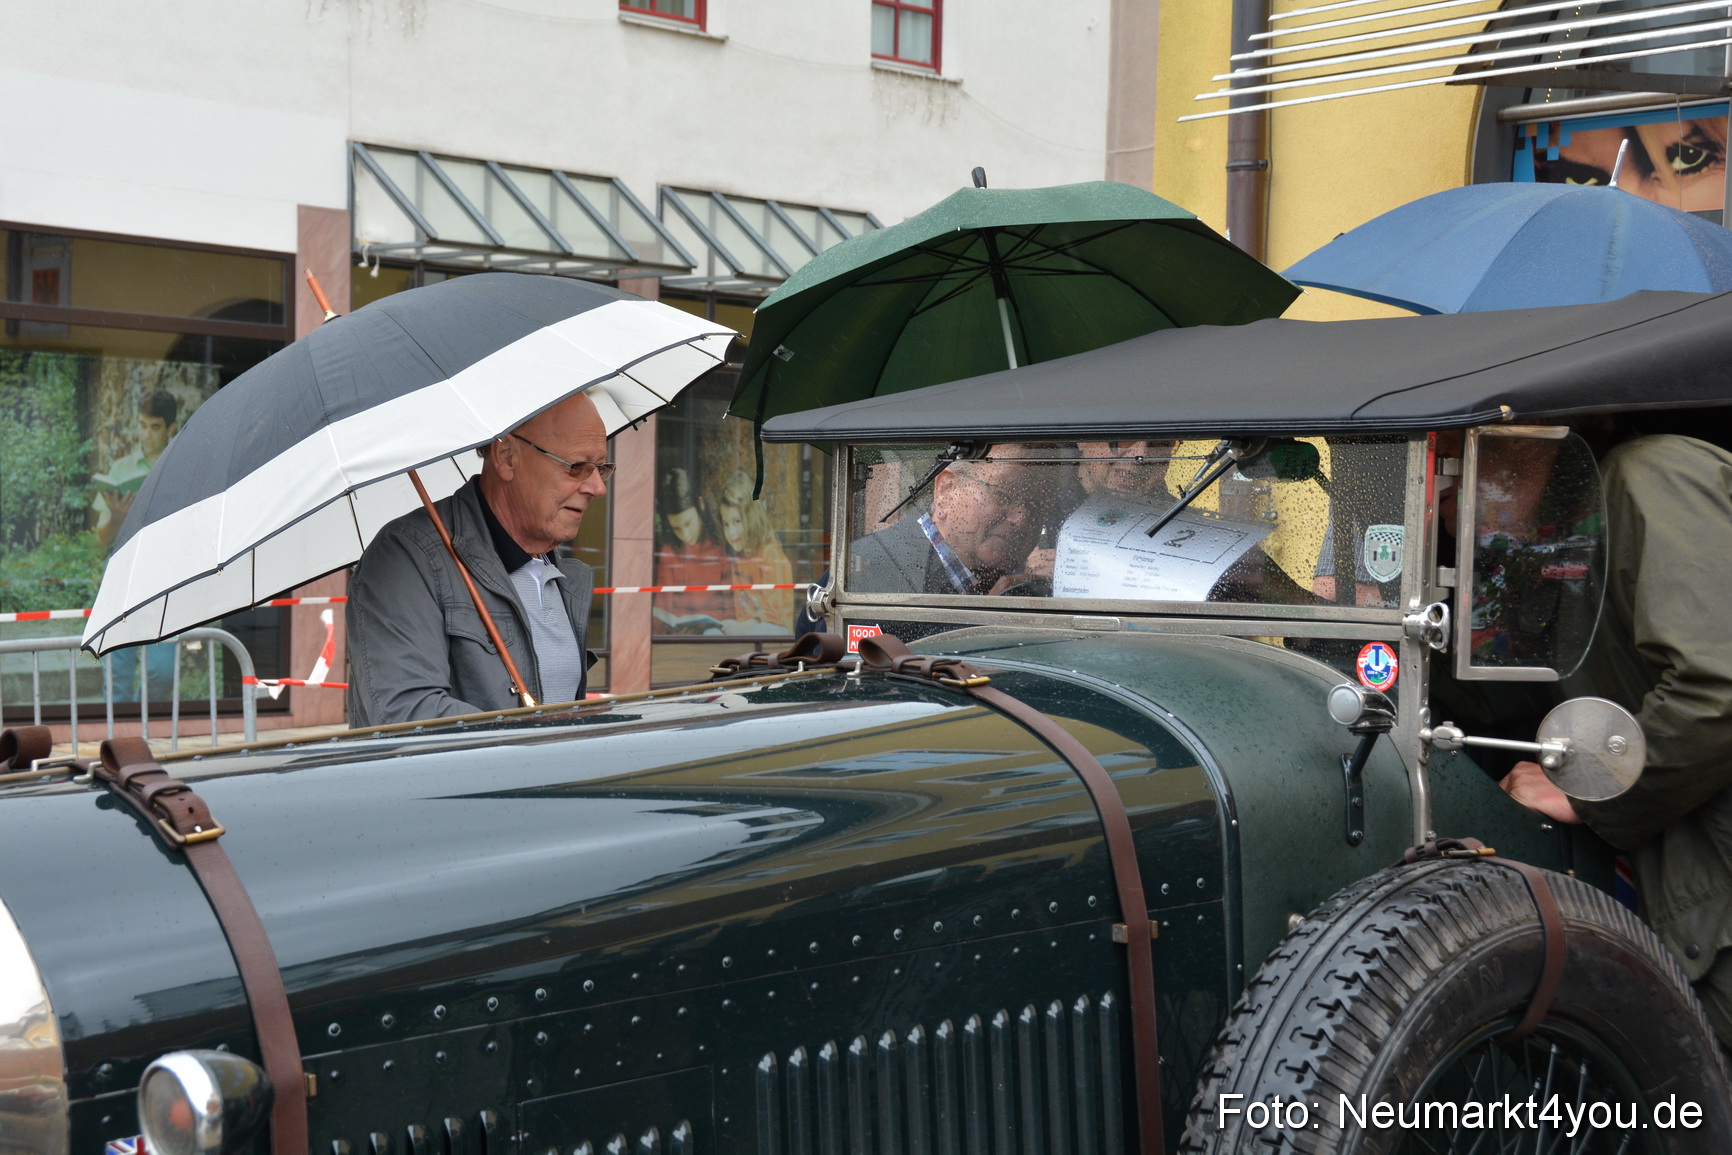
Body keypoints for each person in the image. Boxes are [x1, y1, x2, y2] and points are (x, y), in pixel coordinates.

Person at [1493, 431, 1732, 1047]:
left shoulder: (1652, 474)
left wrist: (1595, 785)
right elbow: (1516, 684)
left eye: (1484, 456)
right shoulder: (1570, 529)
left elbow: (1716, 687)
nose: (1463, 486)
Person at [345, 392, 610, 726]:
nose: (597, 487)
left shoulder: (555, 569)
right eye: (576, 467)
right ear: (506, 456)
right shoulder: (408, 556)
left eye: (601, 468)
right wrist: (535, 732)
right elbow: (405, 717)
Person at [848, 445, 1052, 595]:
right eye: (1002, 496)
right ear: (946, 490)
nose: (1021, 518)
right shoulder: (862, 569)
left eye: (1035, 507)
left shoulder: (1026, 586)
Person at [94, 388, 178, 552]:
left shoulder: (180, 466)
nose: (146, 434)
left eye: (154, 427)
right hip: (129, 561)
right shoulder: (120, 469)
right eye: (142, 425)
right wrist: (117, 518)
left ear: (170, 429)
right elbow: (102, 539)